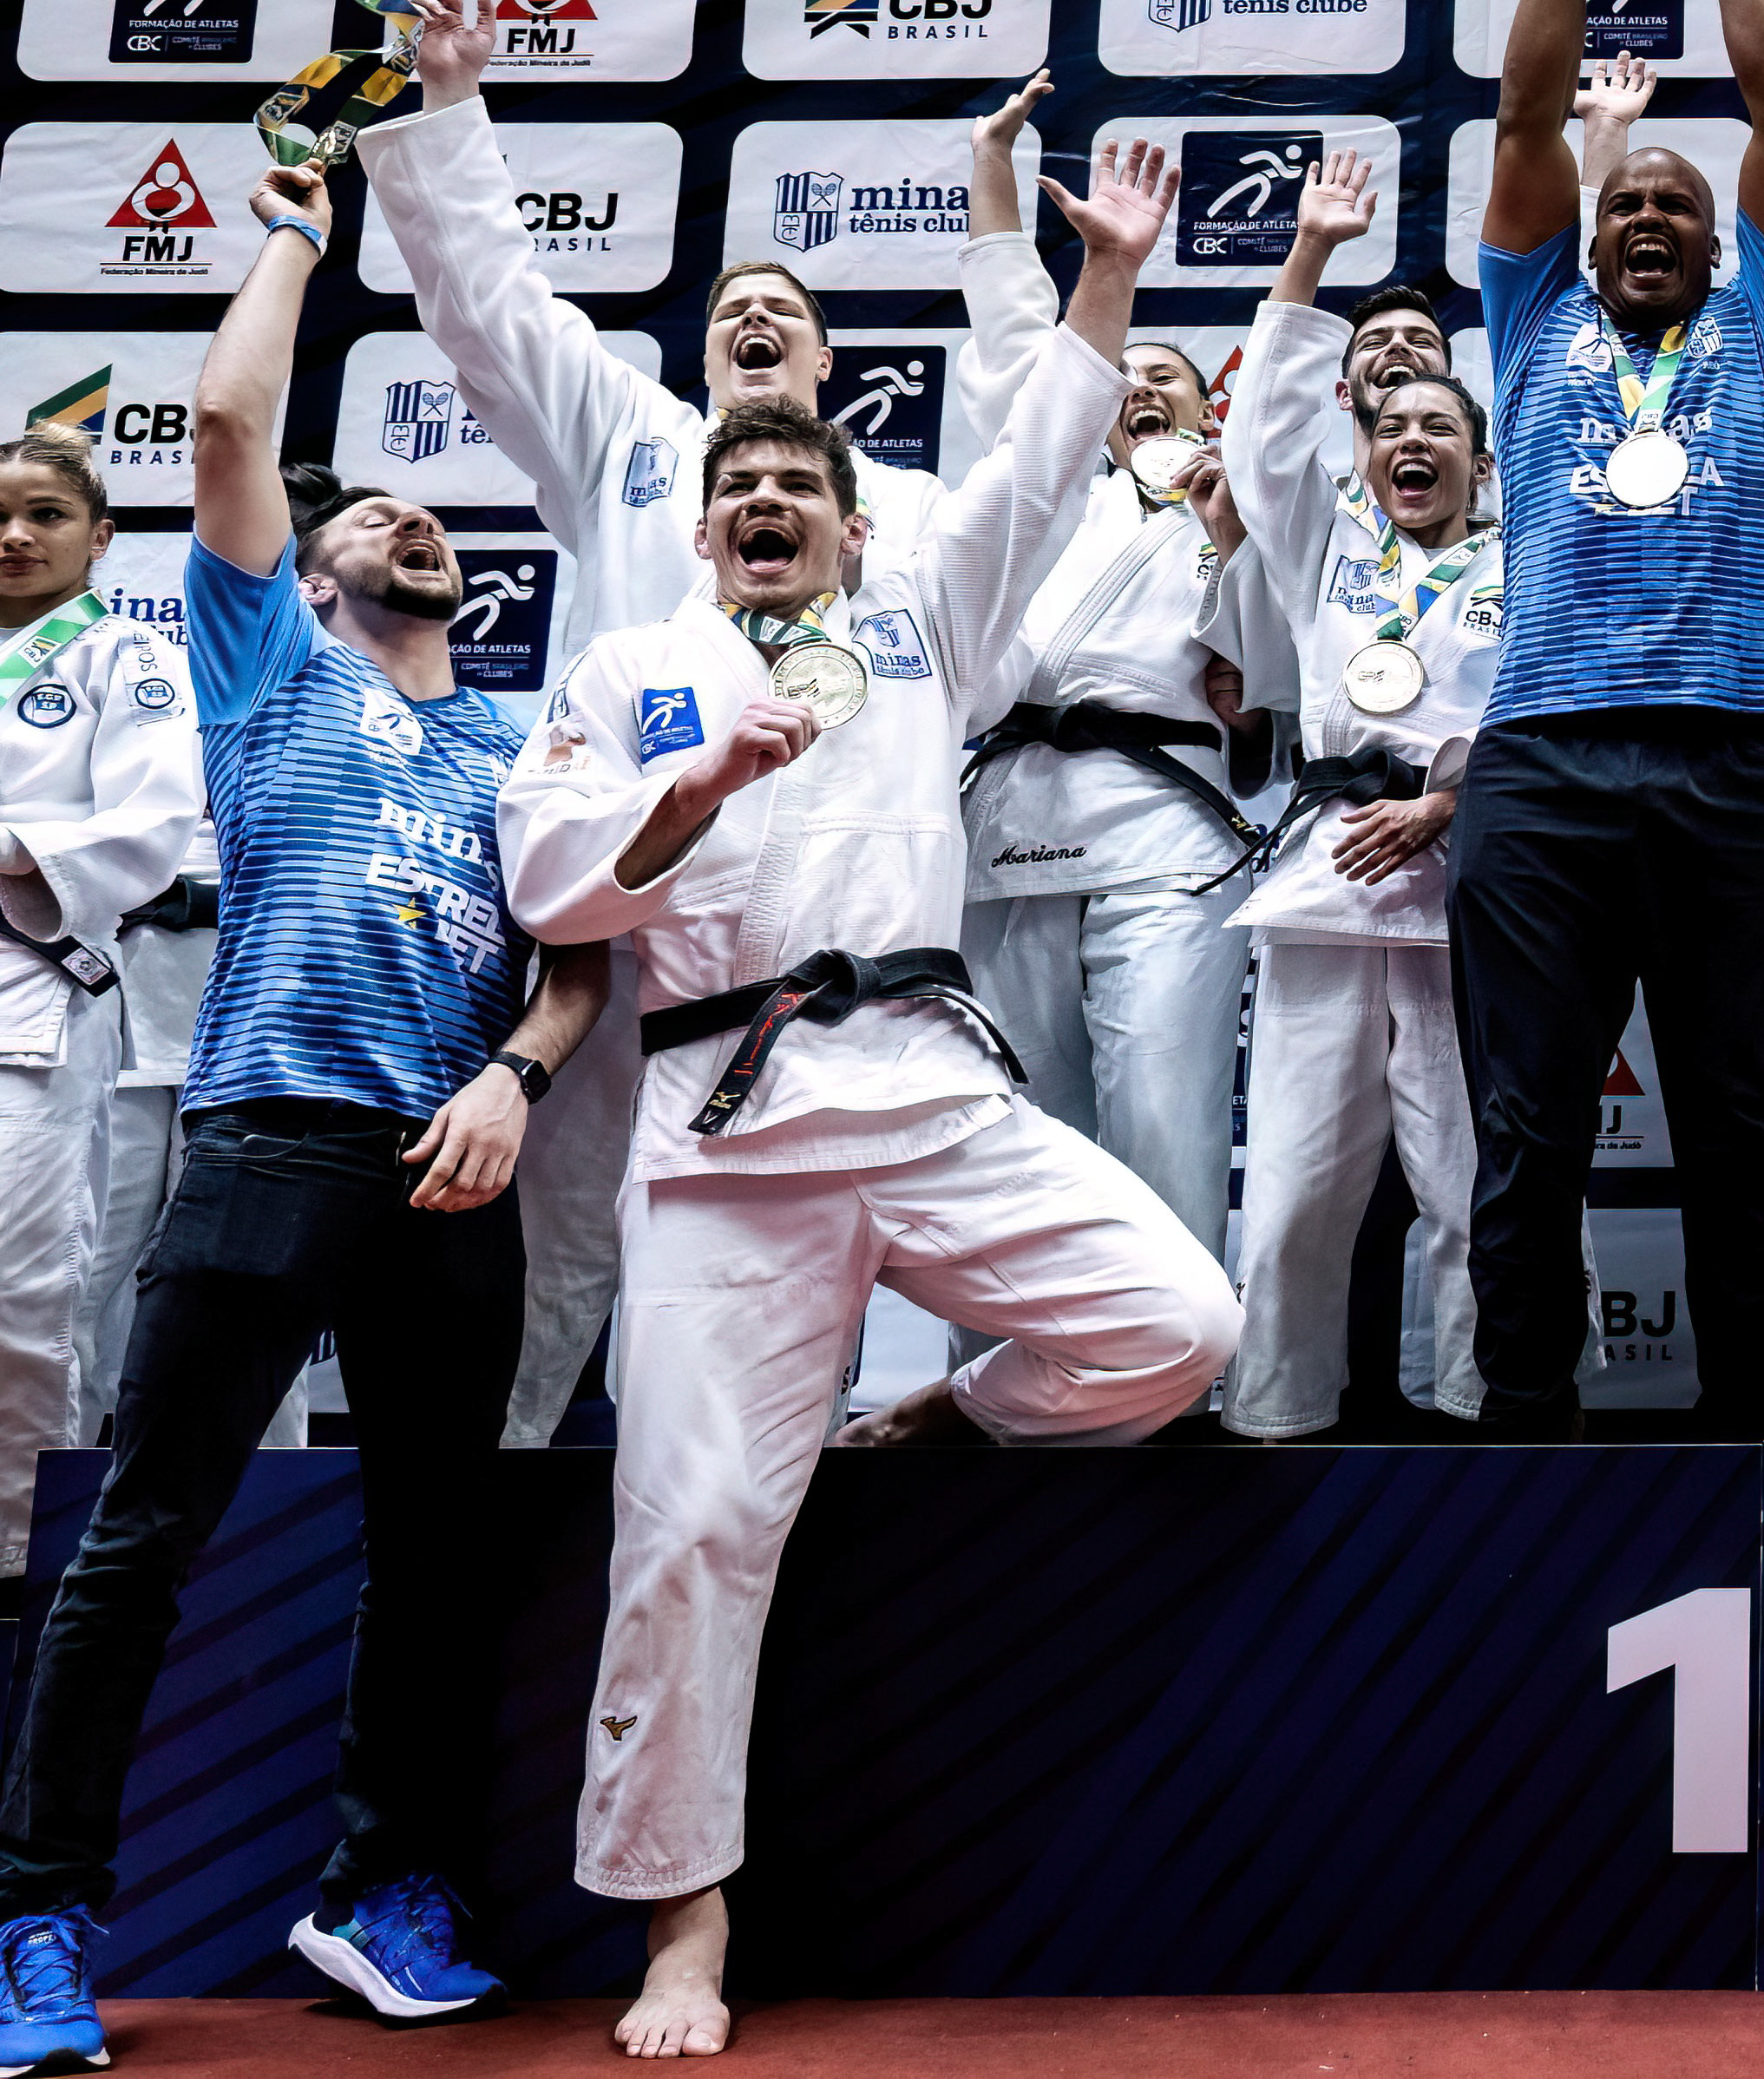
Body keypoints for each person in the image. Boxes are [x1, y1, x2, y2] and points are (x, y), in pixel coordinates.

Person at [495, 140, 1236, 2061]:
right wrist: (693, 791)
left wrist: (1106, 285)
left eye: (792, 489)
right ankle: (684, 1921)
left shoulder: (921, 627)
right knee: (684, 1530)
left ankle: (939, 1417)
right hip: (725, 1135)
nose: (762, 501)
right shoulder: (630, 671)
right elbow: (551, 886)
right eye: (734, 485)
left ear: (842, 527)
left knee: (1180, 1325)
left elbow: (1035, 477)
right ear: (697, 527)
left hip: (919, 1082)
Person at [0, 165, 607, 2069]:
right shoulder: (269, 673)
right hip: (267, 1130)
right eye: (368, 515)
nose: (409, 514)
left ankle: (379, 1889)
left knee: (437, 1554)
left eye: (430, 511)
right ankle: (36, 1923)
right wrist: (291, 225)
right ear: (313, 575)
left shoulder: (521, 735)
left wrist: (517, 1076)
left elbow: (579, 961)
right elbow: (237, 425)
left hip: (455, 1165)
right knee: (147, 1534)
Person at [359, 6, 1067, 1449]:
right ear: (703, 353)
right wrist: (449, 103)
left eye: (785, 312)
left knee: (822, 1230)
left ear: (827, 361)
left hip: (817, 916)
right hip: (624, 893)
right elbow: (490, 308)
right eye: (732, 307)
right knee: (563, 1231)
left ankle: (830, 1475)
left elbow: (1002, 610)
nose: (755, 317)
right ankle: (499, 1501)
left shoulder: (908, 514)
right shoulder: (629, 441)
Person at [1454, 0, 1764, 1439]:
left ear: (1722, 244)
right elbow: (1528, 113)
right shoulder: (1529, 318)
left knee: (1745, 1134)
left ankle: (1741, 1431)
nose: (1655, 217)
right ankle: (1527, 1432)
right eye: (1630, 207)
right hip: (1538, 773)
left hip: (1730, 771)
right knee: (1528, 1134)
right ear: (1585, 245)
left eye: (1681, 206)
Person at [1216, 148, 1504, 1437]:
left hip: (1466, 882)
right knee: (1288, 1184)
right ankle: (1275, 1413)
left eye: (1440, 427)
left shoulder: (1526, 557)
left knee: (1469, 1181)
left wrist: (1448, 808)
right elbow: (1262, 430)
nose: (1412, 442)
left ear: (1479, 462)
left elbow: (1553, 716)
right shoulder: (1325, 544)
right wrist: (1311, 252)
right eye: (1392, 427)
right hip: (1331, 873)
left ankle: (1473, 1410)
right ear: (1365, 449)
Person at [954, 99, 1263, 1268]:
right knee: (1012, 1130)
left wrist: (1237, 546)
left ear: (1207, 409)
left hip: (1169, 829)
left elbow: (1280, 674)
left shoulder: (1243, 507)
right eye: (1120, 373)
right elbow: (1008, 331)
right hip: (1017, 821)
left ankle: (1173, 1388)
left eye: (1168, 379)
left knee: (1163, 1121)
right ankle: (998, 1386)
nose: (1139, 386)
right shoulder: (1040, 497)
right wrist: (991, 166)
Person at [0, 432, 201, 1595]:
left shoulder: (124, 653)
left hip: (30, 994)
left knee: (26, 1296)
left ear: (101, 539)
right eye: (1, 514)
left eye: (46, 514)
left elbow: (146, 827)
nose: (17, 534)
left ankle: (19, 1568)